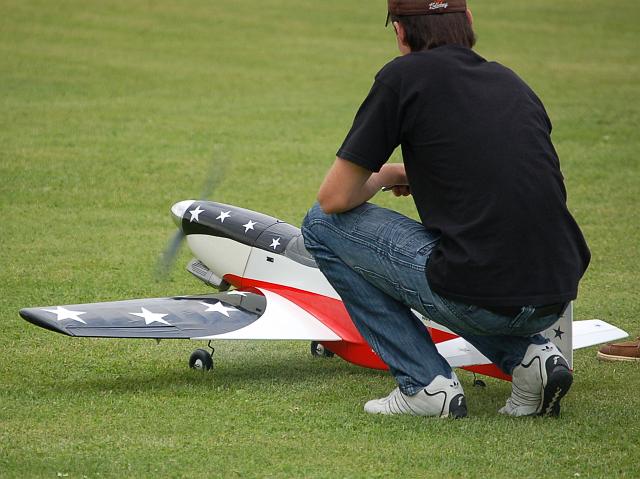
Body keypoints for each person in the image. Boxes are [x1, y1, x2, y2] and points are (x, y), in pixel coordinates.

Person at [301, 0, 590, 418]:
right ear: (469, 21)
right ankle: (533, 361)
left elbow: (334, 199)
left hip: (484, 294)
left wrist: (383, 176)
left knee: (320, 227)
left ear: (400, 32)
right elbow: (504, 175)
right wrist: (412, 173)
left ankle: (425, 385)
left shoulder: (403, 77)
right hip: (554, 293)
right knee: (479, 271)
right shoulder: (511, 81)